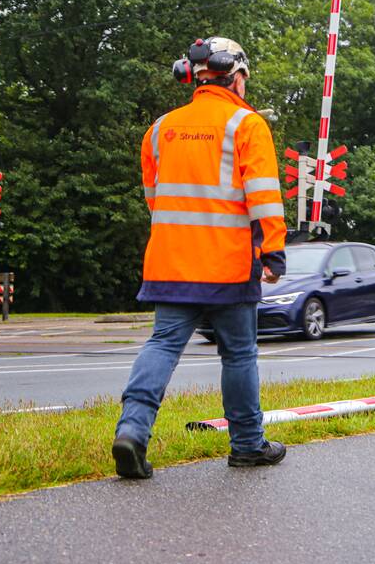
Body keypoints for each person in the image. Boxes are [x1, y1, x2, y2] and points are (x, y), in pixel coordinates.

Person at [112, 36, 288, 478]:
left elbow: (156, 199)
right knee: (240, 353)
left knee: (162, 345)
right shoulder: (245, 125)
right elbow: (264, 198)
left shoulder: (159, 129)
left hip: (171, 262)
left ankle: (132, 431)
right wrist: (273, 252)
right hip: (227, 265)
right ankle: (247, 445)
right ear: (237, 75)